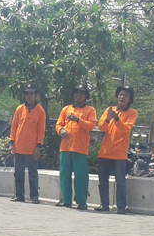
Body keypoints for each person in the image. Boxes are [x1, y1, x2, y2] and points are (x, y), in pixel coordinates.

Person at [95, 86, 138, 214]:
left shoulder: (132, 113)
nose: (121, 97)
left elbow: (125, 130)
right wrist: (109, 118)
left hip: (119, 153)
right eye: (120, 94)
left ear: (130, 99)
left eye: (125, 95)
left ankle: (121, 206)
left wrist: (117, 119)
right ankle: (104, 204)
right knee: (103, 180)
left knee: (120, 180)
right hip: (105, 151)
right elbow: (101, 127)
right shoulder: (109, 110)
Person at [55, 84, 96, 210]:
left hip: (80, 148)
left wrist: (78, 120)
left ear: (86, 97)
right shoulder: (66, 109)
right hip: (65, 147)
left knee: (81, 175)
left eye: (81, 93)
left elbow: (91, 126)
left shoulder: (90, 110)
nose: (78, 95)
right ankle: (66, 200)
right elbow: (58, 124)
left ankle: (81, 201)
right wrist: (61, 130)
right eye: (76, 93)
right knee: (64, 174)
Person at [9, 83, 46, 204]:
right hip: (19, 147)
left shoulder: (40, 111)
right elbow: (14, 127)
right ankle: (19, 195)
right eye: (27, 93)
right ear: (25, 95)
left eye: (32, 93)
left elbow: (41, 130)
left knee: (32, 174)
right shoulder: (19, 109)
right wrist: (11, 143)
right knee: (18, 173)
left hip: (32, 149)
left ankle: (34, 196)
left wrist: (38, 146)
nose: (29, 96)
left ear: (36, 95)